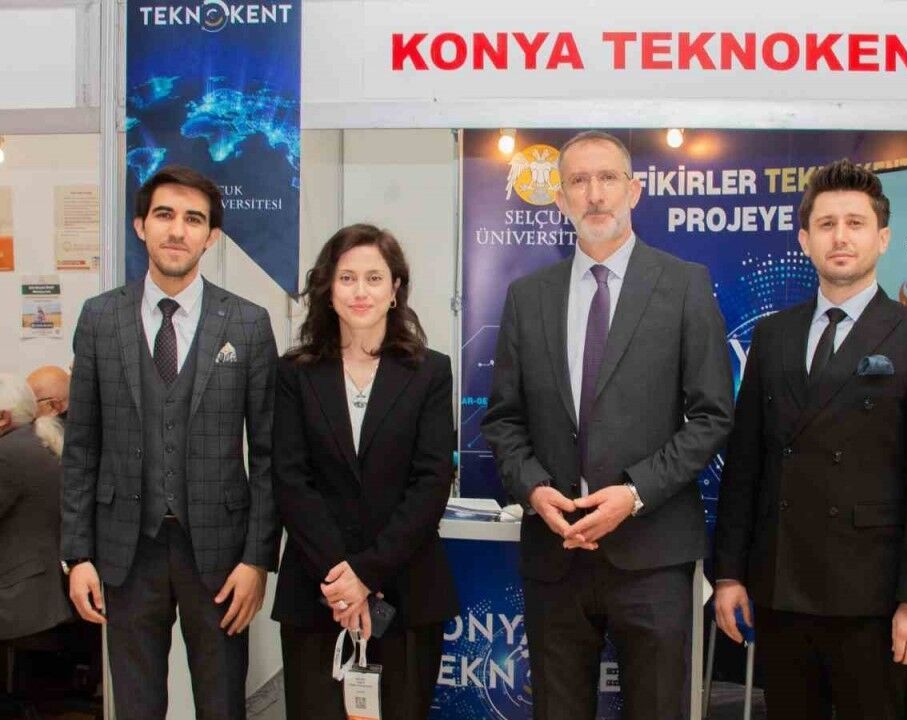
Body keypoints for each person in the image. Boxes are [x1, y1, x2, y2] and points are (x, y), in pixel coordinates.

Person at [481, 130, 734, 719]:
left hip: (653, 554)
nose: (594, 194)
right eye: (578, 181)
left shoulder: (684, 285)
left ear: (634, 190)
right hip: (556, 553)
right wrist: (534, 489)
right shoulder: (527, 296)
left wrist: (634, 494)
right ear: (561, 199)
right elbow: (504, 419)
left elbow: (712, 415)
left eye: (608, 178)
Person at [713, 159, 907, 719]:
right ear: (805, 240)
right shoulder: (773, 334)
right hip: (781, 586)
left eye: (855, 223)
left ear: (883, 238)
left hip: (871, 596)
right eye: (826, 225)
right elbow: (745, 463)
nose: (841, 237)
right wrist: (728, 573)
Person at [60, 165, 279, 720]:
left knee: (222, 705)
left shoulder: (248, 324)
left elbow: (270, 455)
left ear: (212, 236)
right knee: (136, 707)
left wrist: (257, 560)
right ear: (141, 226)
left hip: (221, 557)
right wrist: (78, 555)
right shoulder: (99, 318)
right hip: (125, 551)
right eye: (164, 215)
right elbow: (81, 446)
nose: (177, 230)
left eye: (193, 219)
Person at [271, 224, 457, 720]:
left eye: (374, 278)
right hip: (318, 592)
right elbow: (290, 480)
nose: (360, 291)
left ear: (395, 290)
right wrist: (341, 579)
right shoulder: (294, 373)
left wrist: (366, 574)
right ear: (328, 290)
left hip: (407, 591)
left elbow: (431, 482)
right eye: (347, 277)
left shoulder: (430, 372)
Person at [0, 373, 72, 641]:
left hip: (17, 597)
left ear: (3, 417)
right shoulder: (36, 439)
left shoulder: (7, 453)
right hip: (41, 590)